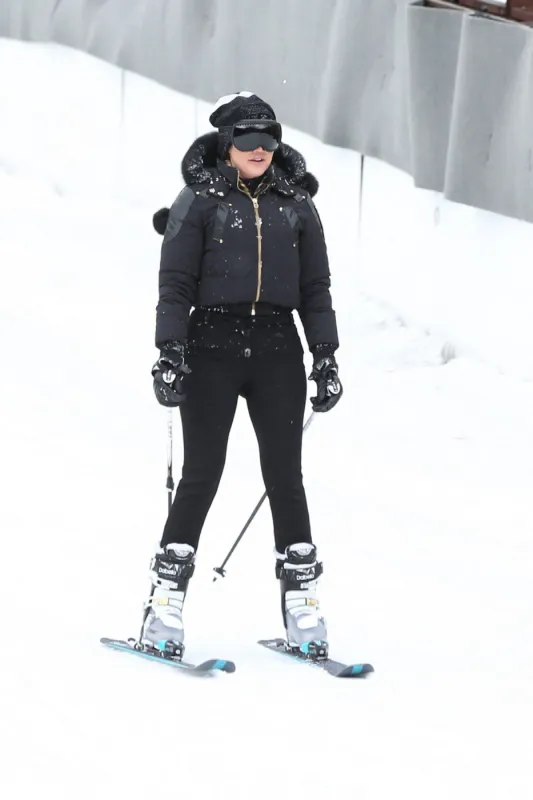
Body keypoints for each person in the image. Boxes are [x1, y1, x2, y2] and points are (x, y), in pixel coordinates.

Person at [142, 91, 343, 657]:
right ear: (228, 144)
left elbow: (315, 287)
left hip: (279, 348)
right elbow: (175, 283)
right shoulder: (199, 201)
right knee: (203, 471)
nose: (260, 150)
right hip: (211, 347)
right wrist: (171, 351)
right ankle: (164, 607)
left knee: (286, 475)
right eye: (248, 140)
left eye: (269, 139)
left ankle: (303, 610)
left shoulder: (296, 204)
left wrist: (324, 355)